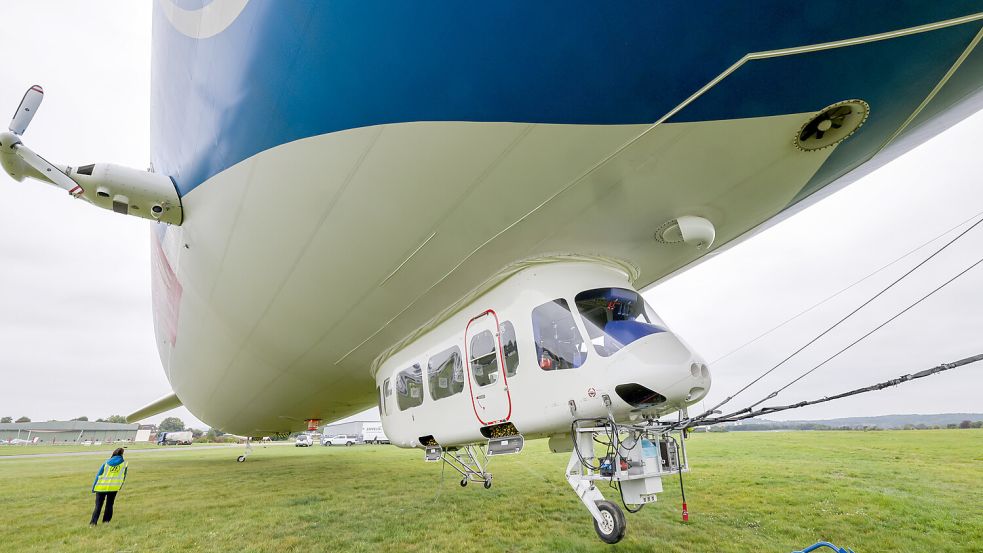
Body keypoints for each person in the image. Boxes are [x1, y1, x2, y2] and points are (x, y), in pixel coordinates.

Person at [90, 447, 128, 526]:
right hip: (113, 488)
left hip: (101, 487)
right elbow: (123, 477)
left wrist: (94, 487)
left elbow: (98, 475)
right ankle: (106, 522)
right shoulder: (124, 464)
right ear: (122, 454)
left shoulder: (106, 463)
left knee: (98, 506)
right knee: (109, 505)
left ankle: (93, 523)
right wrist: (119, 486)